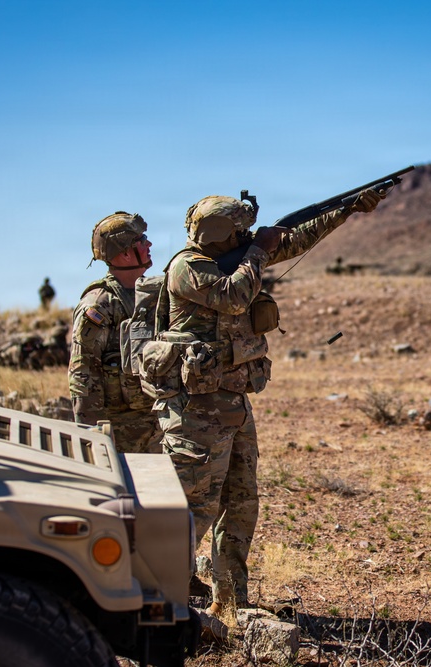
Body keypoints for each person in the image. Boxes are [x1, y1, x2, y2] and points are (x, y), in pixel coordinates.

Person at [154, 188, 385, 615]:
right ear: (221, 233)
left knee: (241, 502)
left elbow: (294, 240)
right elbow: (234, 296)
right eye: (239, 231)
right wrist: (258, 251)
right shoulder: (188, 268)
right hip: (196, 410)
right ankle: (156, 601)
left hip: (233, 402)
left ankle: (231, 602)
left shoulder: (239, 257)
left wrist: (346, 210)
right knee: (195, 507)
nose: (246, 236)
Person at [68, 212, 163, 454]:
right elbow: (82, 375)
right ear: (125, 252)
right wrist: (91, 439)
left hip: (156, 422)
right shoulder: (98, 304)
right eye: (141, 241)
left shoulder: (152, 295)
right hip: (119, 430)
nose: (149, 244)